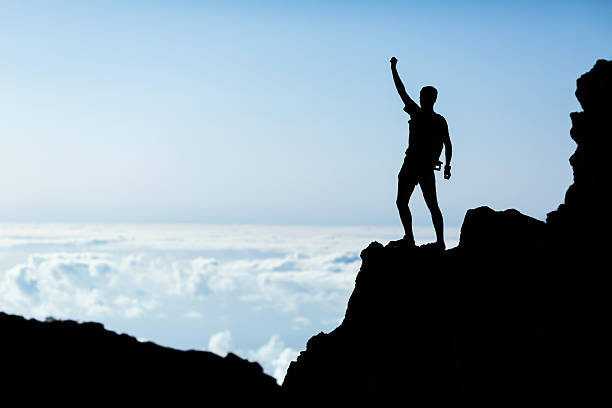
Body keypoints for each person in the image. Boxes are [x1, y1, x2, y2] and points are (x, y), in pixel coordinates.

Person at [390, 57, 452, 249]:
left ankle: (434, 241)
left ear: (429, 99)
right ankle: (413, 238)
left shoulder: (421, 115)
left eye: (422, 96)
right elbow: (448, 144)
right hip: (417, 164)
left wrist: (393, 68)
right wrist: (447, 165)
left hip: (418, 165)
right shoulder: (435, 119)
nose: (420, 99)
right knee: (405, 202)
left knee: (428, 204)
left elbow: (448, 144)